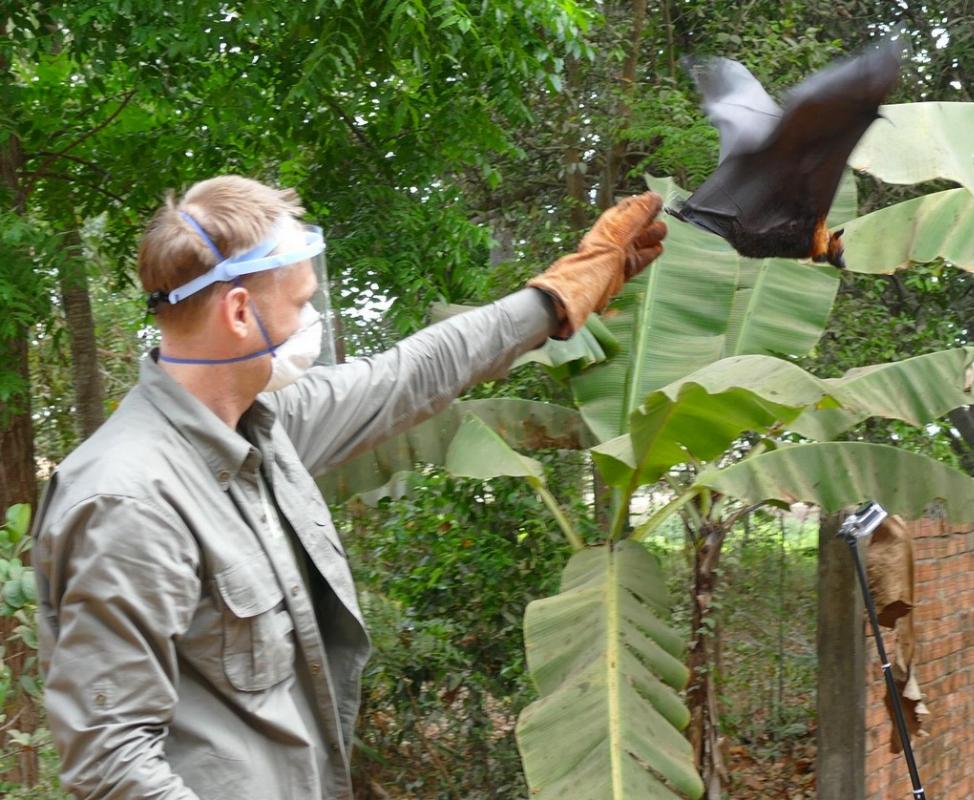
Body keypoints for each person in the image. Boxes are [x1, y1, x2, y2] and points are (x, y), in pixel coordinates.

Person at [31, 175, 667, 799]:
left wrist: (557, 297)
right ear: (239, 311)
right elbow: (112, 765)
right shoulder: (127, 500)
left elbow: (413, 373)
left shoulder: (269, 428)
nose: (312, 320)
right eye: (303, 302)